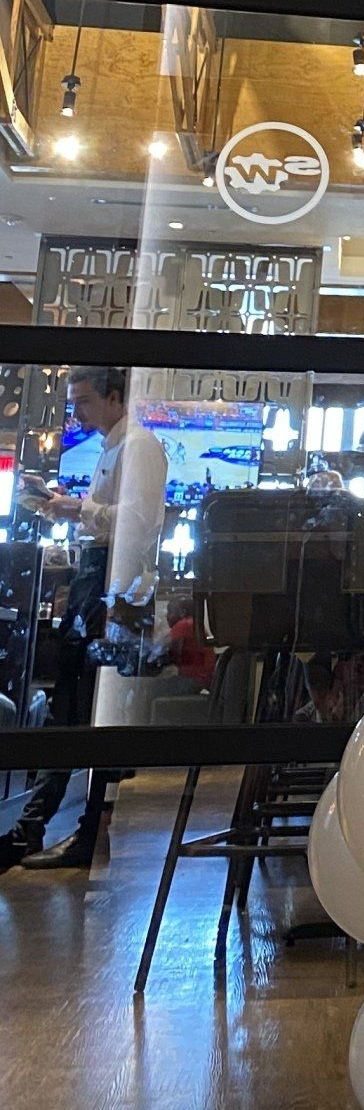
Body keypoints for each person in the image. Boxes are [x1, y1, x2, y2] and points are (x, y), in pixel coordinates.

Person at [0, 367, 168, 876]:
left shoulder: (138, 447)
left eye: (85, 402)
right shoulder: (116, 446)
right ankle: (59, 831)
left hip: (111, 586)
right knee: (77, 707)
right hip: (101, 583)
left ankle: (44, 831)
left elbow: (137, 521)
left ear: (116, 397)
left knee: (81, 708)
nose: (76, 413)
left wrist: (69, 508)